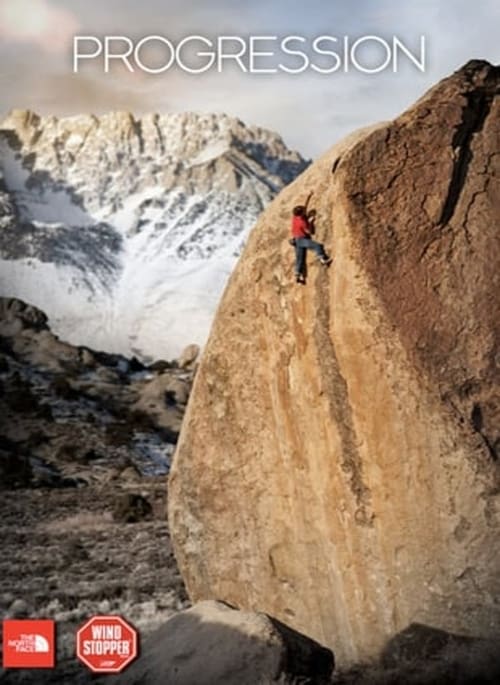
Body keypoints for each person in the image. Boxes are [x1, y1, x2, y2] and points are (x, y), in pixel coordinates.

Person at [290, 192, 331, 284]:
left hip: (296, 240)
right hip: (302, 239)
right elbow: (310, 232)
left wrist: (309, 196)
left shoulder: (295, 218)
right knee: (317, 246)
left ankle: (297, 274)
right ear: (301, 214)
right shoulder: (302, 222)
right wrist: (311, 222)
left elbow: (305, 206)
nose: (306, 211)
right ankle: (322, 258)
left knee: (300, 258)